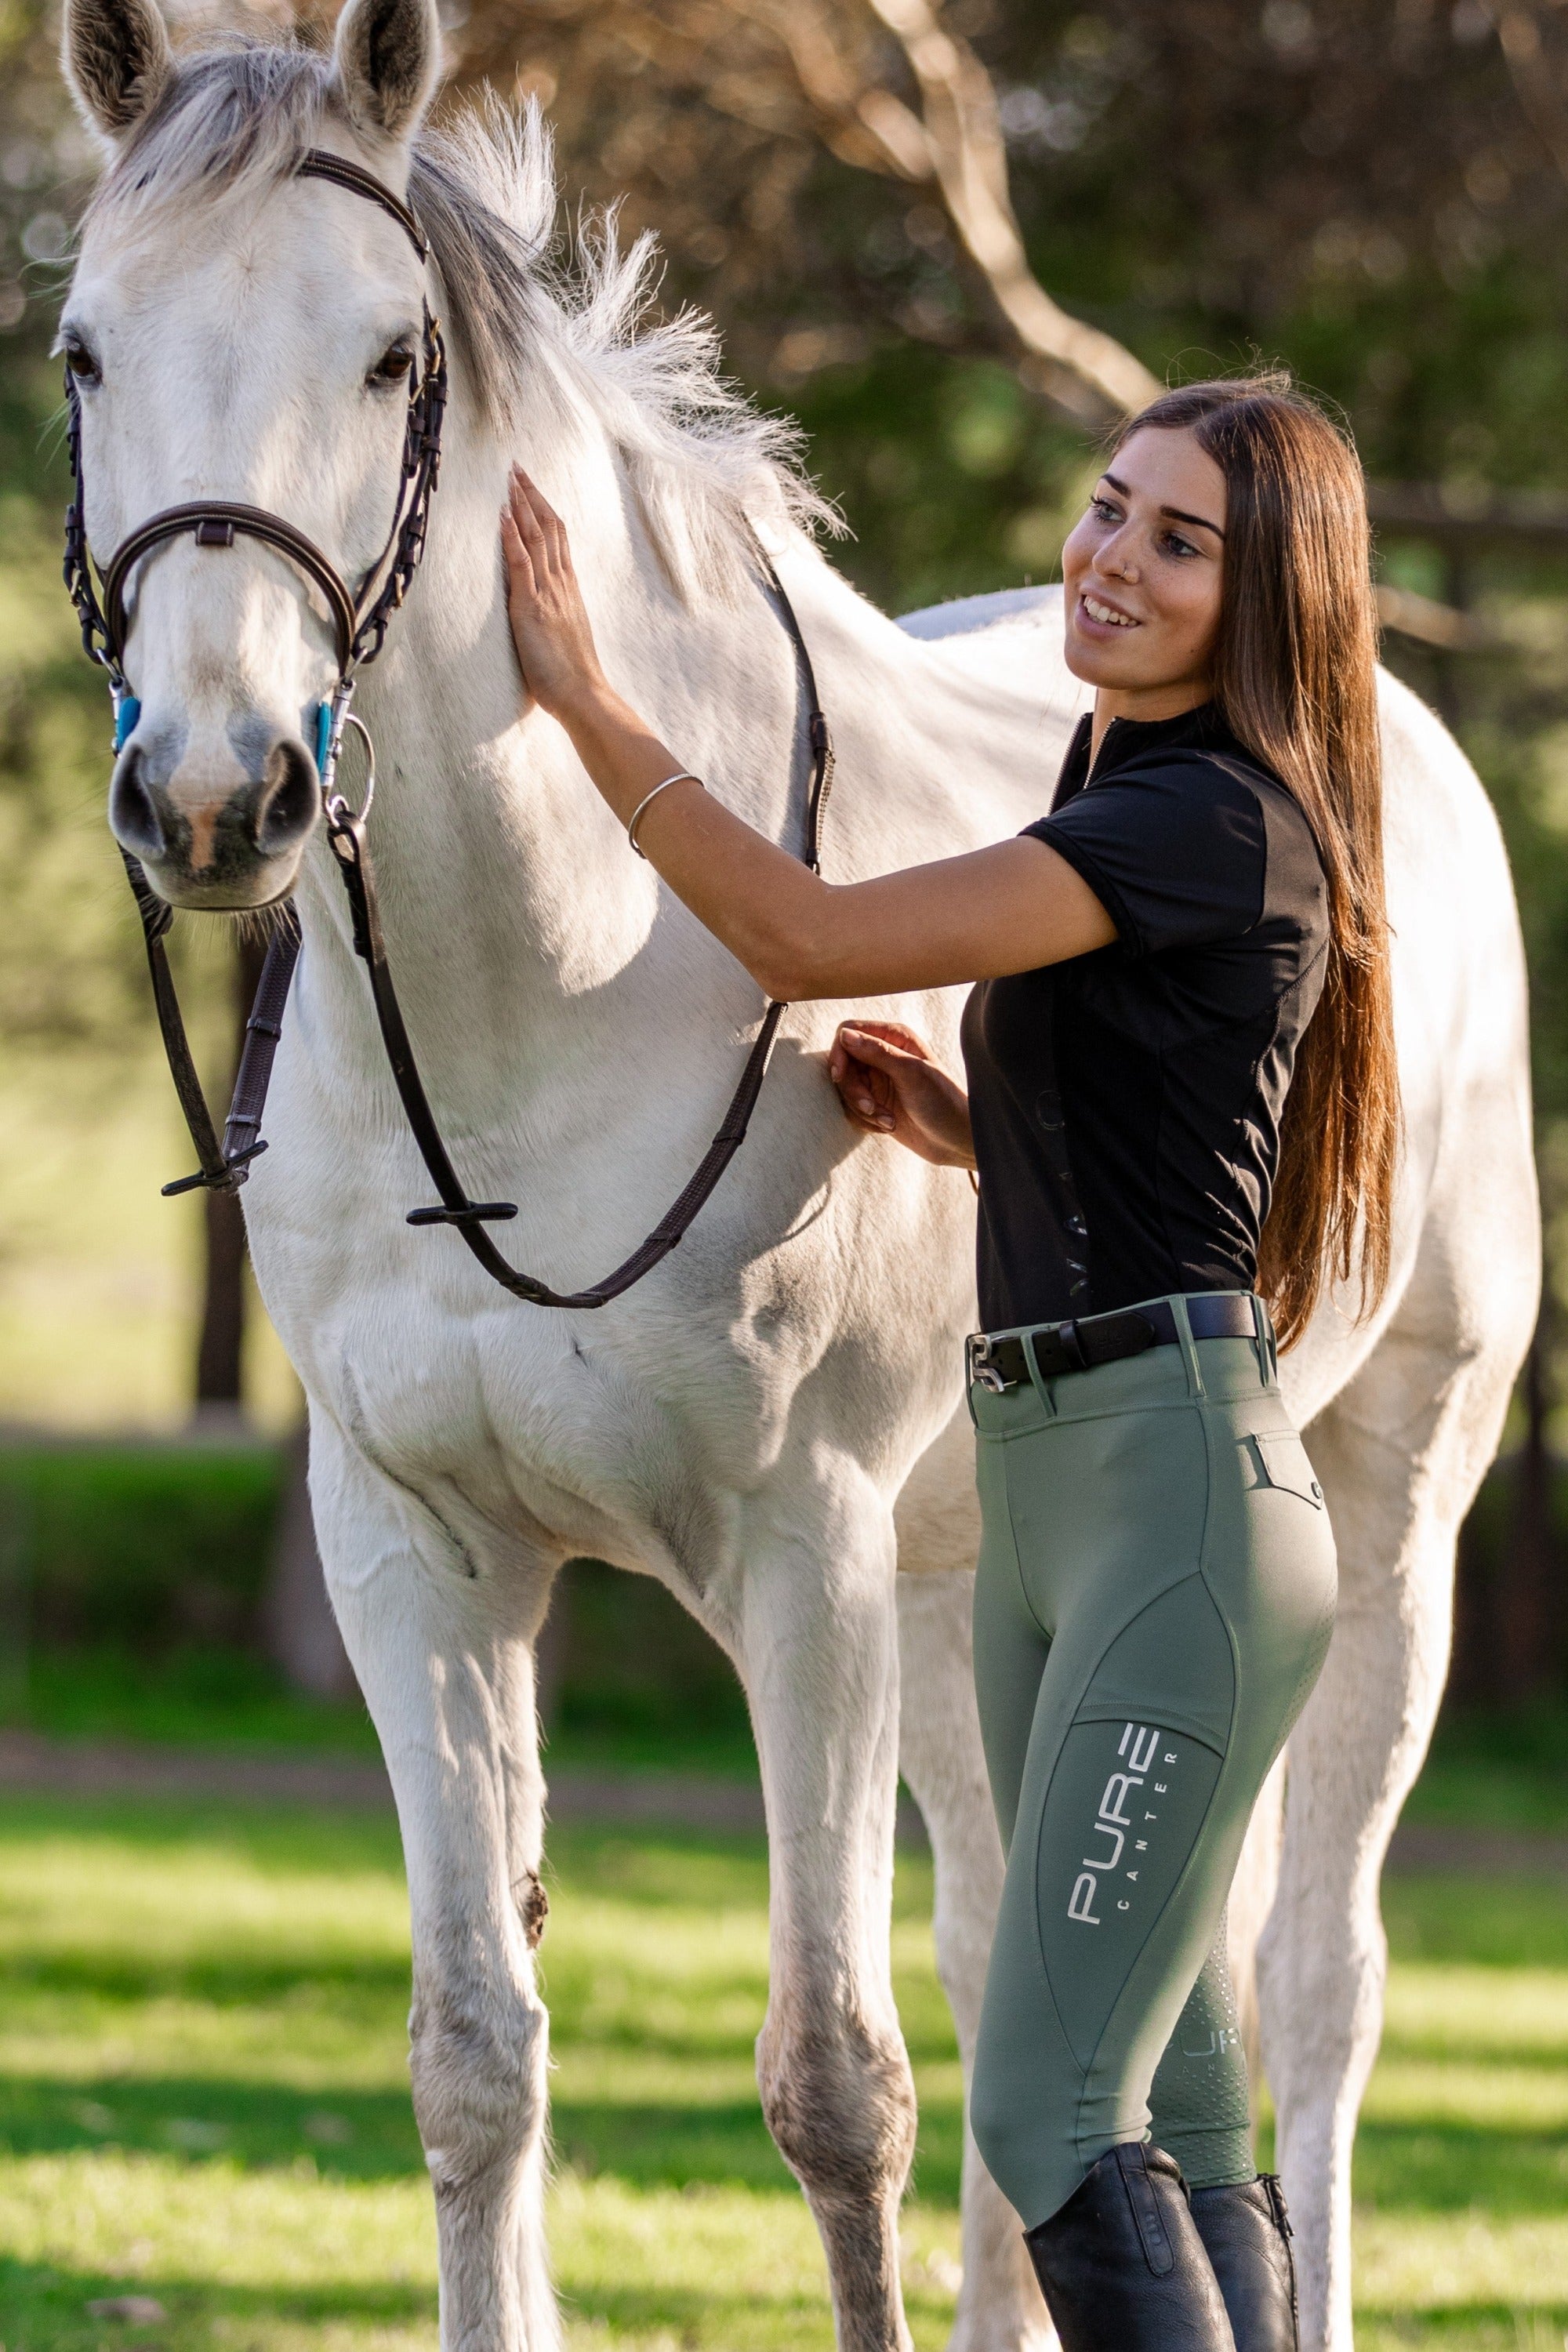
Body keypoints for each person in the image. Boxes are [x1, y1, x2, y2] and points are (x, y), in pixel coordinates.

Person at [499, 372, 1399, 2352]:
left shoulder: (1206, 814)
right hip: (1049, 1501)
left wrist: (582, 694)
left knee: (1041, 2108)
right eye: (1107, 506)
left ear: (1271, 603)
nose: (1110, 558)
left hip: (1173, 1521)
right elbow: (1175, 1159)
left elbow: (807, 932)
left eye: (1181, 541)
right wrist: (962, 1125)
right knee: (1170, 2094)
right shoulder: (1123, 784)